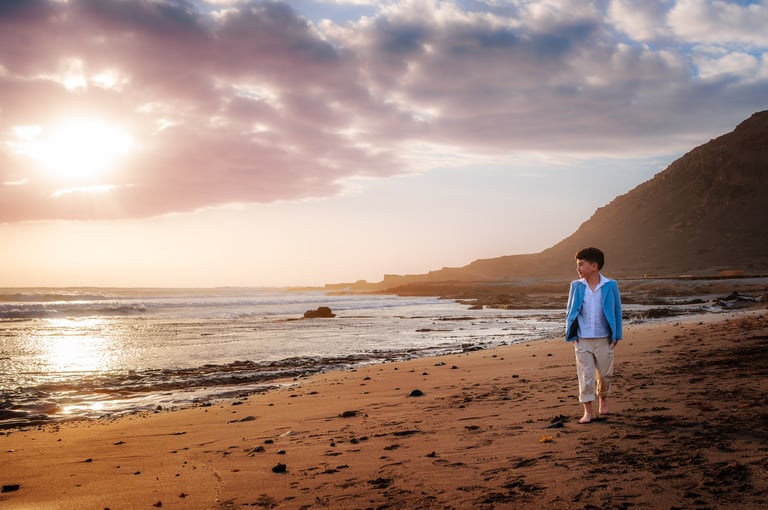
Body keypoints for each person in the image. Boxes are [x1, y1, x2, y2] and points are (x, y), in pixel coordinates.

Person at [565, 247, 622, 424]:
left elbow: (617, 310)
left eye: (581, 264)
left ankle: (603, 399)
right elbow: (570, 310)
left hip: (605, 338)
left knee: (605, 375)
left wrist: (617, 334)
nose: (578, 268)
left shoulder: (610, 285)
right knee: (586, 376)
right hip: (582, 339)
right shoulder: (576, 285)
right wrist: (570, 333)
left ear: (594, 266)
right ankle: (587, 411)